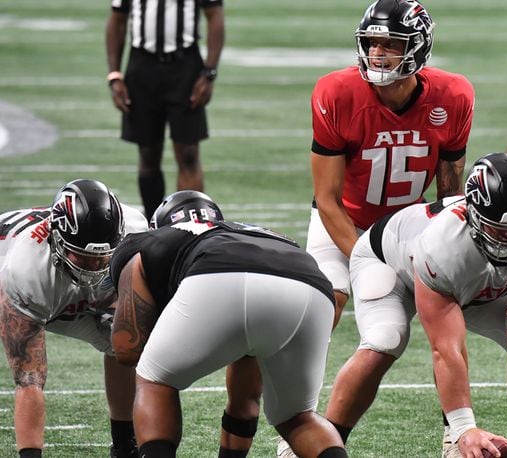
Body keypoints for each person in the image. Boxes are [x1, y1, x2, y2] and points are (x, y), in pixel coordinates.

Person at [317, 153, 507, 457]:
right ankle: (322, 441)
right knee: (385, 339)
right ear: (472, 213)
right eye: (499, 230)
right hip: (388, 262)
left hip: (465, 278)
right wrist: (465, 428)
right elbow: (445, 348)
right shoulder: (444, 245)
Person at [108, 193, 347, 458]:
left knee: (155, 381)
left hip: (219, 272)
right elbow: (245, 398)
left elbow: (126, 349)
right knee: (298, 418)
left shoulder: (148, 241)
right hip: (313, 287)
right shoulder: (252, 233)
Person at [307, 0, 475, 328]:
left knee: (424, 317)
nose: (377, 53)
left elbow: (449, 197)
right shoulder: (337, 93)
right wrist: (368, 258)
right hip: (344, 219)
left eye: (391, 44)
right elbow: (327, 200)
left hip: (406, 225)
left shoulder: (452, 96)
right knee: (327, 299)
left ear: (418, 47)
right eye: (372, 43)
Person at [0, 179, 148, 458]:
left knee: (125, 341)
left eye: (101, 258)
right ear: (57, 239)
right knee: (29, 375)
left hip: (61, 287)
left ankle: (125, 445)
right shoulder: (26, 269)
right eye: (83, 258)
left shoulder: (135, 230)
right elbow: (29, 382)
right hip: (28, 288)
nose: (94, 268)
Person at [105, 0, 225, 219]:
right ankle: (153, 225)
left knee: (188, 152)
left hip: (185, 66)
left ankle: (193, 226)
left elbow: (215, 15)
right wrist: (114, 75)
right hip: (142, 66)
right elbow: (117, 19)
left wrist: (209, 72)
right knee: (148, 153)